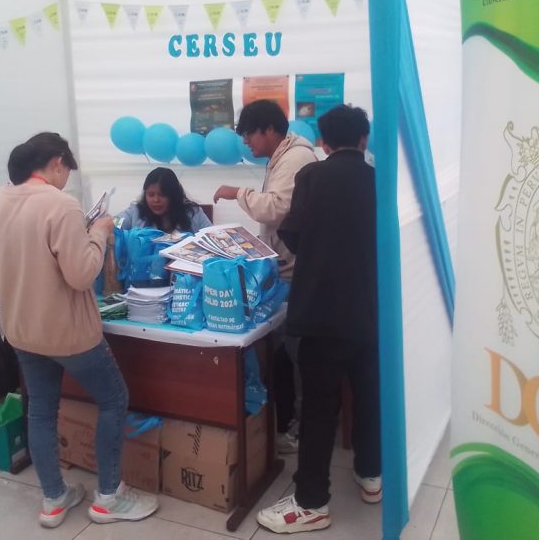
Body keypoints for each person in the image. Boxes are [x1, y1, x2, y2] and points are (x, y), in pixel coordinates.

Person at [0, 132, 158, 528]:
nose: (66, 176)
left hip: (20, 328)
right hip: (68, 332)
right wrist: (99, 232)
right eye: (67, 168)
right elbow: (82, 274)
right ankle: (108, 496)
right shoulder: (61, 205)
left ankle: (53, 498)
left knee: (42, 411)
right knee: (114, 399)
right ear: (56, 163)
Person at [256, 105, 381, 534]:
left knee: (319, 409)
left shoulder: (311, 177)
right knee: (369, 395)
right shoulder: (381, 181)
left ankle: (311, 501)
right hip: (371, 310)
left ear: (324, 143)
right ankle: (371, 475)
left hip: (320, 309)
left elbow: (289, 234)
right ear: (364, 140)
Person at [213, 100, 318, 454]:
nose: (246, 143)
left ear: (269, 131)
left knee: (296, 353)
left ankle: (303, 429)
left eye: (249, 134)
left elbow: (275, 208)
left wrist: (237, 193)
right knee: (281, 352)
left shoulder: (295, 159)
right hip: (282, 265)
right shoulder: (283, 158)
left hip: (295, 270)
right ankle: (285, 419)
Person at [116, 166, 211, 233]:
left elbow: (213, 236)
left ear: (173, 195)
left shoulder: (194, 213)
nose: (156, 200)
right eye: (150, 194)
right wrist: (106, 222)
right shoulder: (135, 211)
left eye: (162, 195)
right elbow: (113, 224)